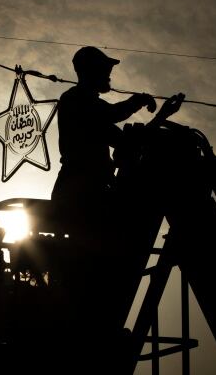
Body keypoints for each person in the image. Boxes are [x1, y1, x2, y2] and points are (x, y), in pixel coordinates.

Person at [51, 46, 184, 343]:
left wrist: (161, 115)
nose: (109, 75)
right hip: (79, 195)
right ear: (89, 72)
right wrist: (137, 101)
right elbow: (112, 116)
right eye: (105, 70)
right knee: (90, 263)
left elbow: (126, 143)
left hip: (89, 194)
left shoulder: (90, 109)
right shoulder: (75, 101)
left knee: (97, 262)